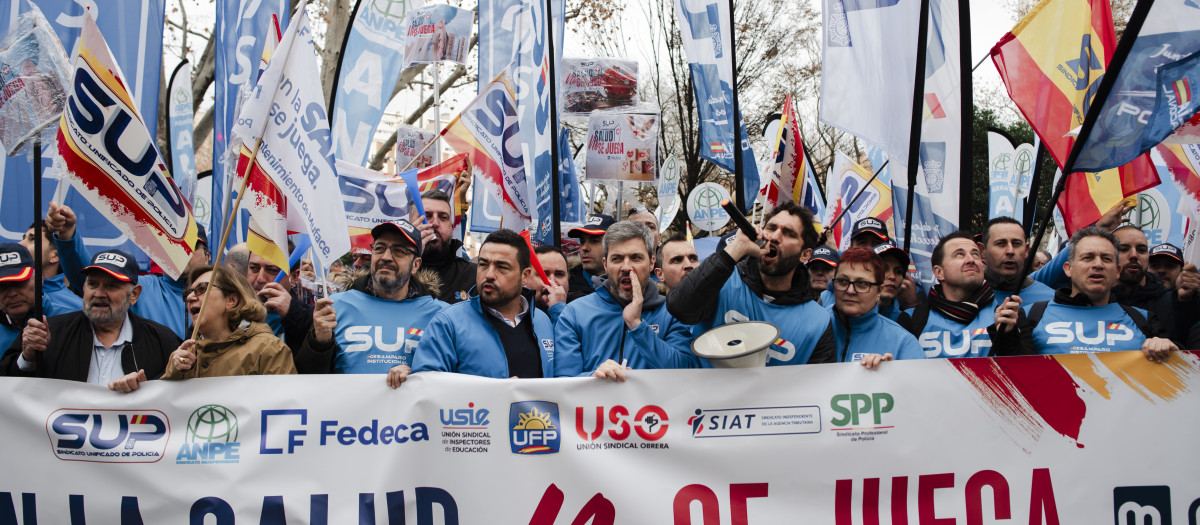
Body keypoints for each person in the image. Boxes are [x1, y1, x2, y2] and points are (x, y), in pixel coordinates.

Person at [668, 202, 835, 366]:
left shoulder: (818, 322)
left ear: (805, 255)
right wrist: (735, 249)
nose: (775, 237)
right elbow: (680, 308)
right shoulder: (723, 281)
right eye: (771, 228)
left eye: (789, 233)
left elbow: (818, 385)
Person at [0, 250, 178, 383]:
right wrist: (28, 357)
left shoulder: (161, 341)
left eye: (111, 286)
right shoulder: (50, 333)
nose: (99, 294)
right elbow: (10, 395)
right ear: (84, 288)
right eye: (93, 284)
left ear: (134, 295)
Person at [109, 265, 296, 391]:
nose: (190, 297)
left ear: (231, 300)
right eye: (188, 293)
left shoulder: (269, 350)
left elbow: (281, 416)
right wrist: (150, 386)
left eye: (201, 290)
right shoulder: (184, 354)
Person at [297, 220, 448, 375]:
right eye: (379, 248)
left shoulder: (440, 316)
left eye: (399, 251)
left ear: (416, 265)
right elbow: (306, 379)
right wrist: (318, 342)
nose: (386, 257)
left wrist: (419, 374)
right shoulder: (334, 307)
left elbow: (451, 378)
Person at [1004, 227, 1176, 361]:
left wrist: (1170, 349)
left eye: (1106, 258)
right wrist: (1006, 336)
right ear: (1068, 269)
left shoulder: (1143, 320)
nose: (1098, 265)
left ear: (1117, 271)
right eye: (1088, 257)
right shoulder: (1029, 315)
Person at [407, 229, 556, 385]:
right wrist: (492, 394)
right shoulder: (448, 323)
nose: (489, 274)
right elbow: (427, 386)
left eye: (502, 267)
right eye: (483, 264)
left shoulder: (542, 320)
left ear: (525, 276)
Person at [45, 201, 210, 339]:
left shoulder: (219, 293)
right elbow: (88, 278)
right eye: (172, 244)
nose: (181, 251)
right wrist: (67, 234)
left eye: (191, 246)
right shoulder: (143, 287)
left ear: (207, 257)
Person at [556, 221, 696, 380]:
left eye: (636, 258)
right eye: (617, 259)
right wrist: (593, 377)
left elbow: (686, 372)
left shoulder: (671, 311)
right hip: (596, 405)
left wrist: (637, 325)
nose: (626, 267)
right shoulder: (574, 313)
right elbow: (563, 381)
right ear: (605, 264)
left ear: (651, 263)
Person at [897, 232, 1025, 358]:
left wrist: (1008, 336)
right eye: (959, 255)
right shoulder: (911, 319)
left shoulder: (1009, 315)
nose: (971, 260)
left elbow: (1025, 372)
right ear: (939, 272)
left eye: (975, 254)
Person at [829, 248, 925, 368]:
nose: (850, 290)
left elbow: (919, 385)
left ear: (879, 290)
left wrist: (894, 375)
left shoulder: (903, 343)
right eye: (842, 281)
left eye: (862, 284)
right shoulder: (816, 327)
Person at [0, 244, 82, 351]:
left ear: (40, 279)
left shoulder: (74, 320)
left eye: (19, 283)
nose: (11, 293)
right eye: (2, 286)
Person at [1111, 225, 1176, 341]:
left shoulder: (1172, 303)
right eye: (1123, 249)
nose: (1134, 255)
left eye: (1141, 250)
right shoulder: (1095, 301)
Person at [980, 217, 1056, 305]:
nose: (1010, 251)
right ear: (982, 251)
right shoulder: (964, 295)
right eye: (1001, 244)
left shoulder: (1050, 300)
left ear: (1026, 250)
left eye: (1016, 244)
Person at [417, 189, 476, 303]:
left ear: (452, 228)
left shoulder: (474, 276)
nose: (434, 223)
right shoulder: (391, 271)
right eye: (426, 216)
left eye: (443, 217)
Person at [566, 214, 617, 301]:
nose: (584, 248)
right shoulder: (566, 286)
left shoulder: (629, 285)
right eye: (582, 241)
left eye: (594, 241)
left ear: (614, 246)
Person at [871, 241, 919, 320]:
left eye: (898, 271)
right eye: (884, 269)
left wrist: (912, 306)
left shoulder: (904, 321)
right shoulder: (849, 314)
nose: (892, 276)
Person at [526, 245, 569, 322]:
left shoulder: (581, 315)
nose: (551, 281)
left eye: (559, 274)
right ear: (525, 278)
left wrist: (559, 310)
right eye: (543, 274)